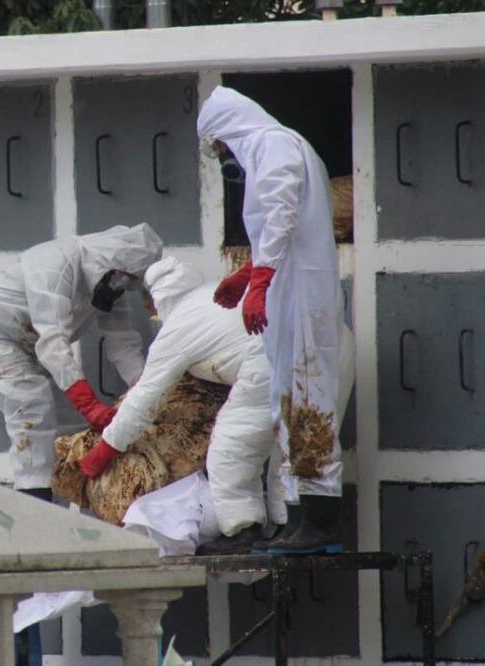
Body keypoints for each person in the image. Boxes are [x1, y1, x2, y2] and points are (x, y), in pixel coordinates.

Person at [196, 85, 344, 554]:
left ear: (227, 131)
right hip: (290, 289)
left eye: (219, 147)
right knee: (288, 402)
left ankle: (320, 522)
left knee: (307, 399)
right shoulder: (273, 145)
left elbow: (281, 213)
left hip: (301, 293)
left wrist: (260, 281)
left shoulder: (273, 143)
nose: (225, 157)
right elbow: (280, 229)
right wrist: (248, 275)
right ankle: (301, 520)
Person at [78, 257, 278, 554]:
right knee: (294, 448)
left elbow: (145, 397)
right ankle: (289, 528)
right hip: (319, 347)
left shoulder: (182, 321)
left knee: (230, 448)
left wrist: (104, 449)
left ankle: (242, 531)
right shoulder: (211, 294)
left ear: (159, 299)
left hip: (267, 364)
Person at [0, 224, 164, 496]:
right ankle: (34, 498)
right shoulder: (54, 264)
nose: (123, 287)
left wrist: (145, 391)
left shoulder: (110, 283)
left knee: (72, 427)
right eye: (125, 278)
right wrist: (89, 405)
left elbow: (123, 343)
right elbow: (52, 342)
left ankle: (74, 495)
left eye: (132, 283)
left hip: (30, 344)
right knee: (30, 405)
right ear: (111, 264)